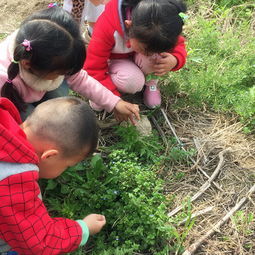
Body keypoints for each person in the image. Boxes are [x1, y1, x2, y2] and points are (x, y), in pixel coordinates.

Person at [0, 96, 106, 254]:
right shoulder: (14, 181)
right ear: (49, 156)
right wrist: (83, 228)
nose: (65, 170)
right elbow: (40, 242)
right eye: (67, 166)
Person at [0, 7, 139, 123]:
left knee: (59, 94)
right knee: (31, 122)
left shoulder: (45, 52)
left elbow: (80, 79)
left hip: (37, 84)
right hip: (12, 104)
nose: (67, 75)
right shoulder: (4, 77)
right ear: (27, 64)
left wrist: (114, 102)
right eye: (61, 73)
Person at [84, 0, 187, 109]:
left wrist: (175, 59)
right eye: (146, 50)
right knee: (133, 81)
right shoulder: (107, 27)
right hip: (114, 60)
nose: (150, 55)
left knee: (159, 57)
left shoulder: (162, 22)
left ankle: (151, 84)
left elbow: (178, 44)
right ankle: (105, 86)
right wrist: (111, 98)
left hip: (134, 56)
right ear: (128, 25)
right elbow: (93, 66)